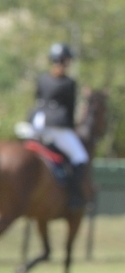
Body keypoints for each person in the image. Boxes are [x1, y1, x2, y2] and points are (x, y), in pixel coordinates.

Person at [31, 43, 89, 210]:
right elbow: (70, 109)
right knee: (80, 157)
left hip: (36, 125)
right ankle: (74, 197)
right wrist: (72, 127)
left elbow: (38, 99)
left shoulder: (42, 78)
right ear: (65, 61)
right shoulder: (69, 83)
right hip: (57, 127)